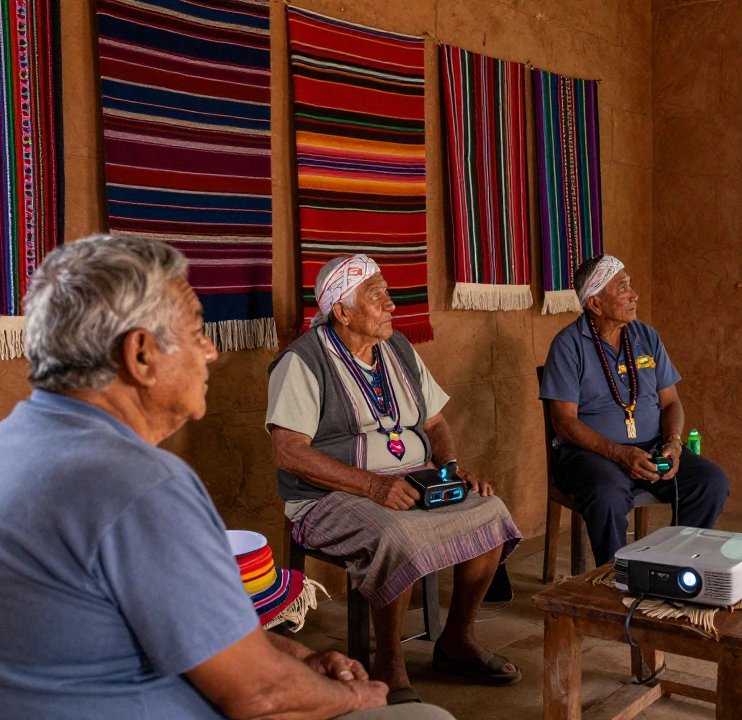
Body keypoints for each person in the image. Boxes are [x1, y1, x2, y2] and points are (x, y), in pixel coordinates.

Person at [0, 234, 451, 719]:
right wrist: (355, 698)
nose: (211, 352)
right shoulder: (141, 487)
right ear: (141, 354)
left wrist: (302, 656)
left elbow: (190, 631)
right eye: (196, 330)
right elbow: (258, 693)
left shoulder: (15, 442)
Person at [267, 255, 522, 698]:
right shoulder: (303, 360)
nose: (391, 303)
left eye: (387, 292)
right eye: (377, 295)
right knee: (397, 534)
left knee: (489, 510)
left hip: (413, 478)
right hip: (329, 496)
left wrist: (448, 471)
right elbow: (288, 453)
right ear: (342, 312)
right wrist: (373, 485)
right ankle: (389, 662)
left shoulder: (398, 349)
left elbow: (436, 422)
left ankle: (456, 642)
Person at [539, 254, 730, 566]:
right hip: (591, 454)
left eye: (630, 286)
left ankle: (675, 566)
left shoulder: (645, 336)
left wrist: (673, 442)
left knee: (710, 482)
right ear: (595, 304)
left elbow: (671, 402)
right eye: (622, 288)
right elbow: (563, 421)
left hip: (651, 447)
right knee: (607, 495)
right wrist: (617, 453)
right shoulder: (568, 345)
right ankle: (616, 579)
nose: (634, 295)